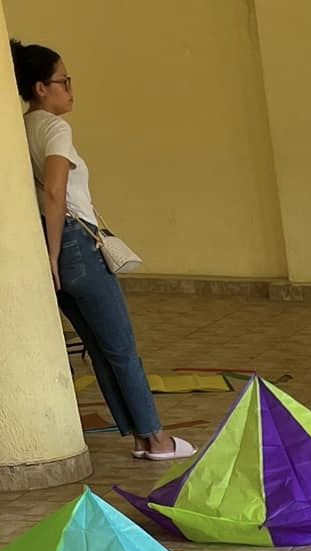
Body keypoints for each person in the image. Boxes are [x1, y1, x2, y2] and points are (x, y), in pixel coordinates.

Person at [12, 39, 192, 461]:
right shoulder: (55, 128)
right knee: (121, 348)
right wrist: (55, 254)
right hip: (73, 243)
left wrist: (47, 256)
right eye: (63, 80)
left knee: (99, 346)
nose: (70, 89)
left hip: (47, 243)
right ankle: (156, 438)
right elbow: (55, 192)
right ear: (41, 88)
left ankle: (140, 437)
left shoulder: (19, 129)